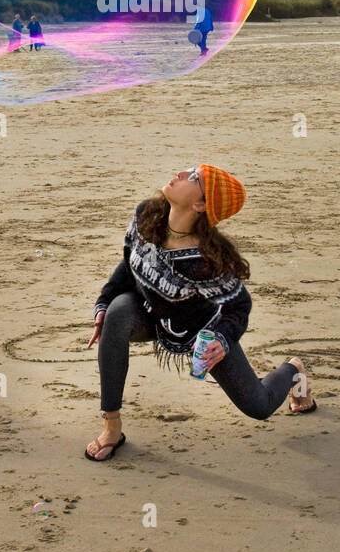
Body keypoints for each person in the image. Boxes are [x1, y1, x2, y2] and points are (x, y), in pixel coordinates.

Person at [84, 164, 316, 462]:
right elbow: (131, 264)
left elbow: (239, 306)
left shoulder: (205, 261)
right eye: (188, 170)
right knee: (117, 313)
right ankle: (112, 426)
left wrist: (221, 338)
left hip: (201, 334)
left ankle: (294, 370)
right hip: (150, 315)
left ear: (200, 205)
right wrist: (103, 303)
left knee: (258, 406)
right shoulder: (146, 215)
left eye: (193, 178)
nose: (180, 174)